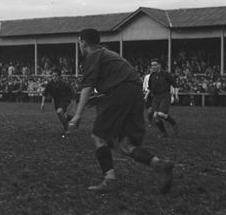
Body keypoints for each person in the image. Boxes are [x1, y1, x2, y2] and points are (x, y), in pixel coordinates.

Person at [67, 28, 175, 194]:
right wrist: (103, 97)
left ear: (82, 42)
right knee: (126, 144)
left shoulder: (93, 55)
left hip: (121, 92)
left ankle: (109, 180)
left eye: (79, 43)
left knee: (99, 136)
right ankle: (159, 164)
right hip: (134, 93)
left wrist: (78, 115)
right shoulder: (108, 54)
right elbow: (119, 80)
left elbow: (88, 86)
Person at [144, 59, 179, 137]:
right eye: (152, 65)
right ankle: (164, 133)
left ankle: (174, 123)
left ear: (159, 65)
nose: (153, 67)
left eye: (155, 65)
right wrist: (146, 96)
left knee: (161, 114)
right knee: (155, 116)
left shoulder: (166, 74)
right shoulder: (152, 76)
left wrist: (176, 95)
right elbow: (149, 88)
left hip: (165, 95)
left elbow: (175, 85)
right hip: (156, 97)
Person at [40, 68, 77, 133]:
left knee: (59, 111)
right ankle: (75, 120)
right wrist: (42, 104)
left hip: (65, 99)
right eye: (53, 76)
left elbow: (73, 93)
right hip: (57, 101)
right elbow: (45, 93)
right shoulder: (50, 83)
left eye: (56, 75)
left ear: (59, 76)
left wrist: (73, 107)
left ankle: (67, 129)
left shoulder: (64, 84)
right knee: (63, 115)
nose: (54, 77)